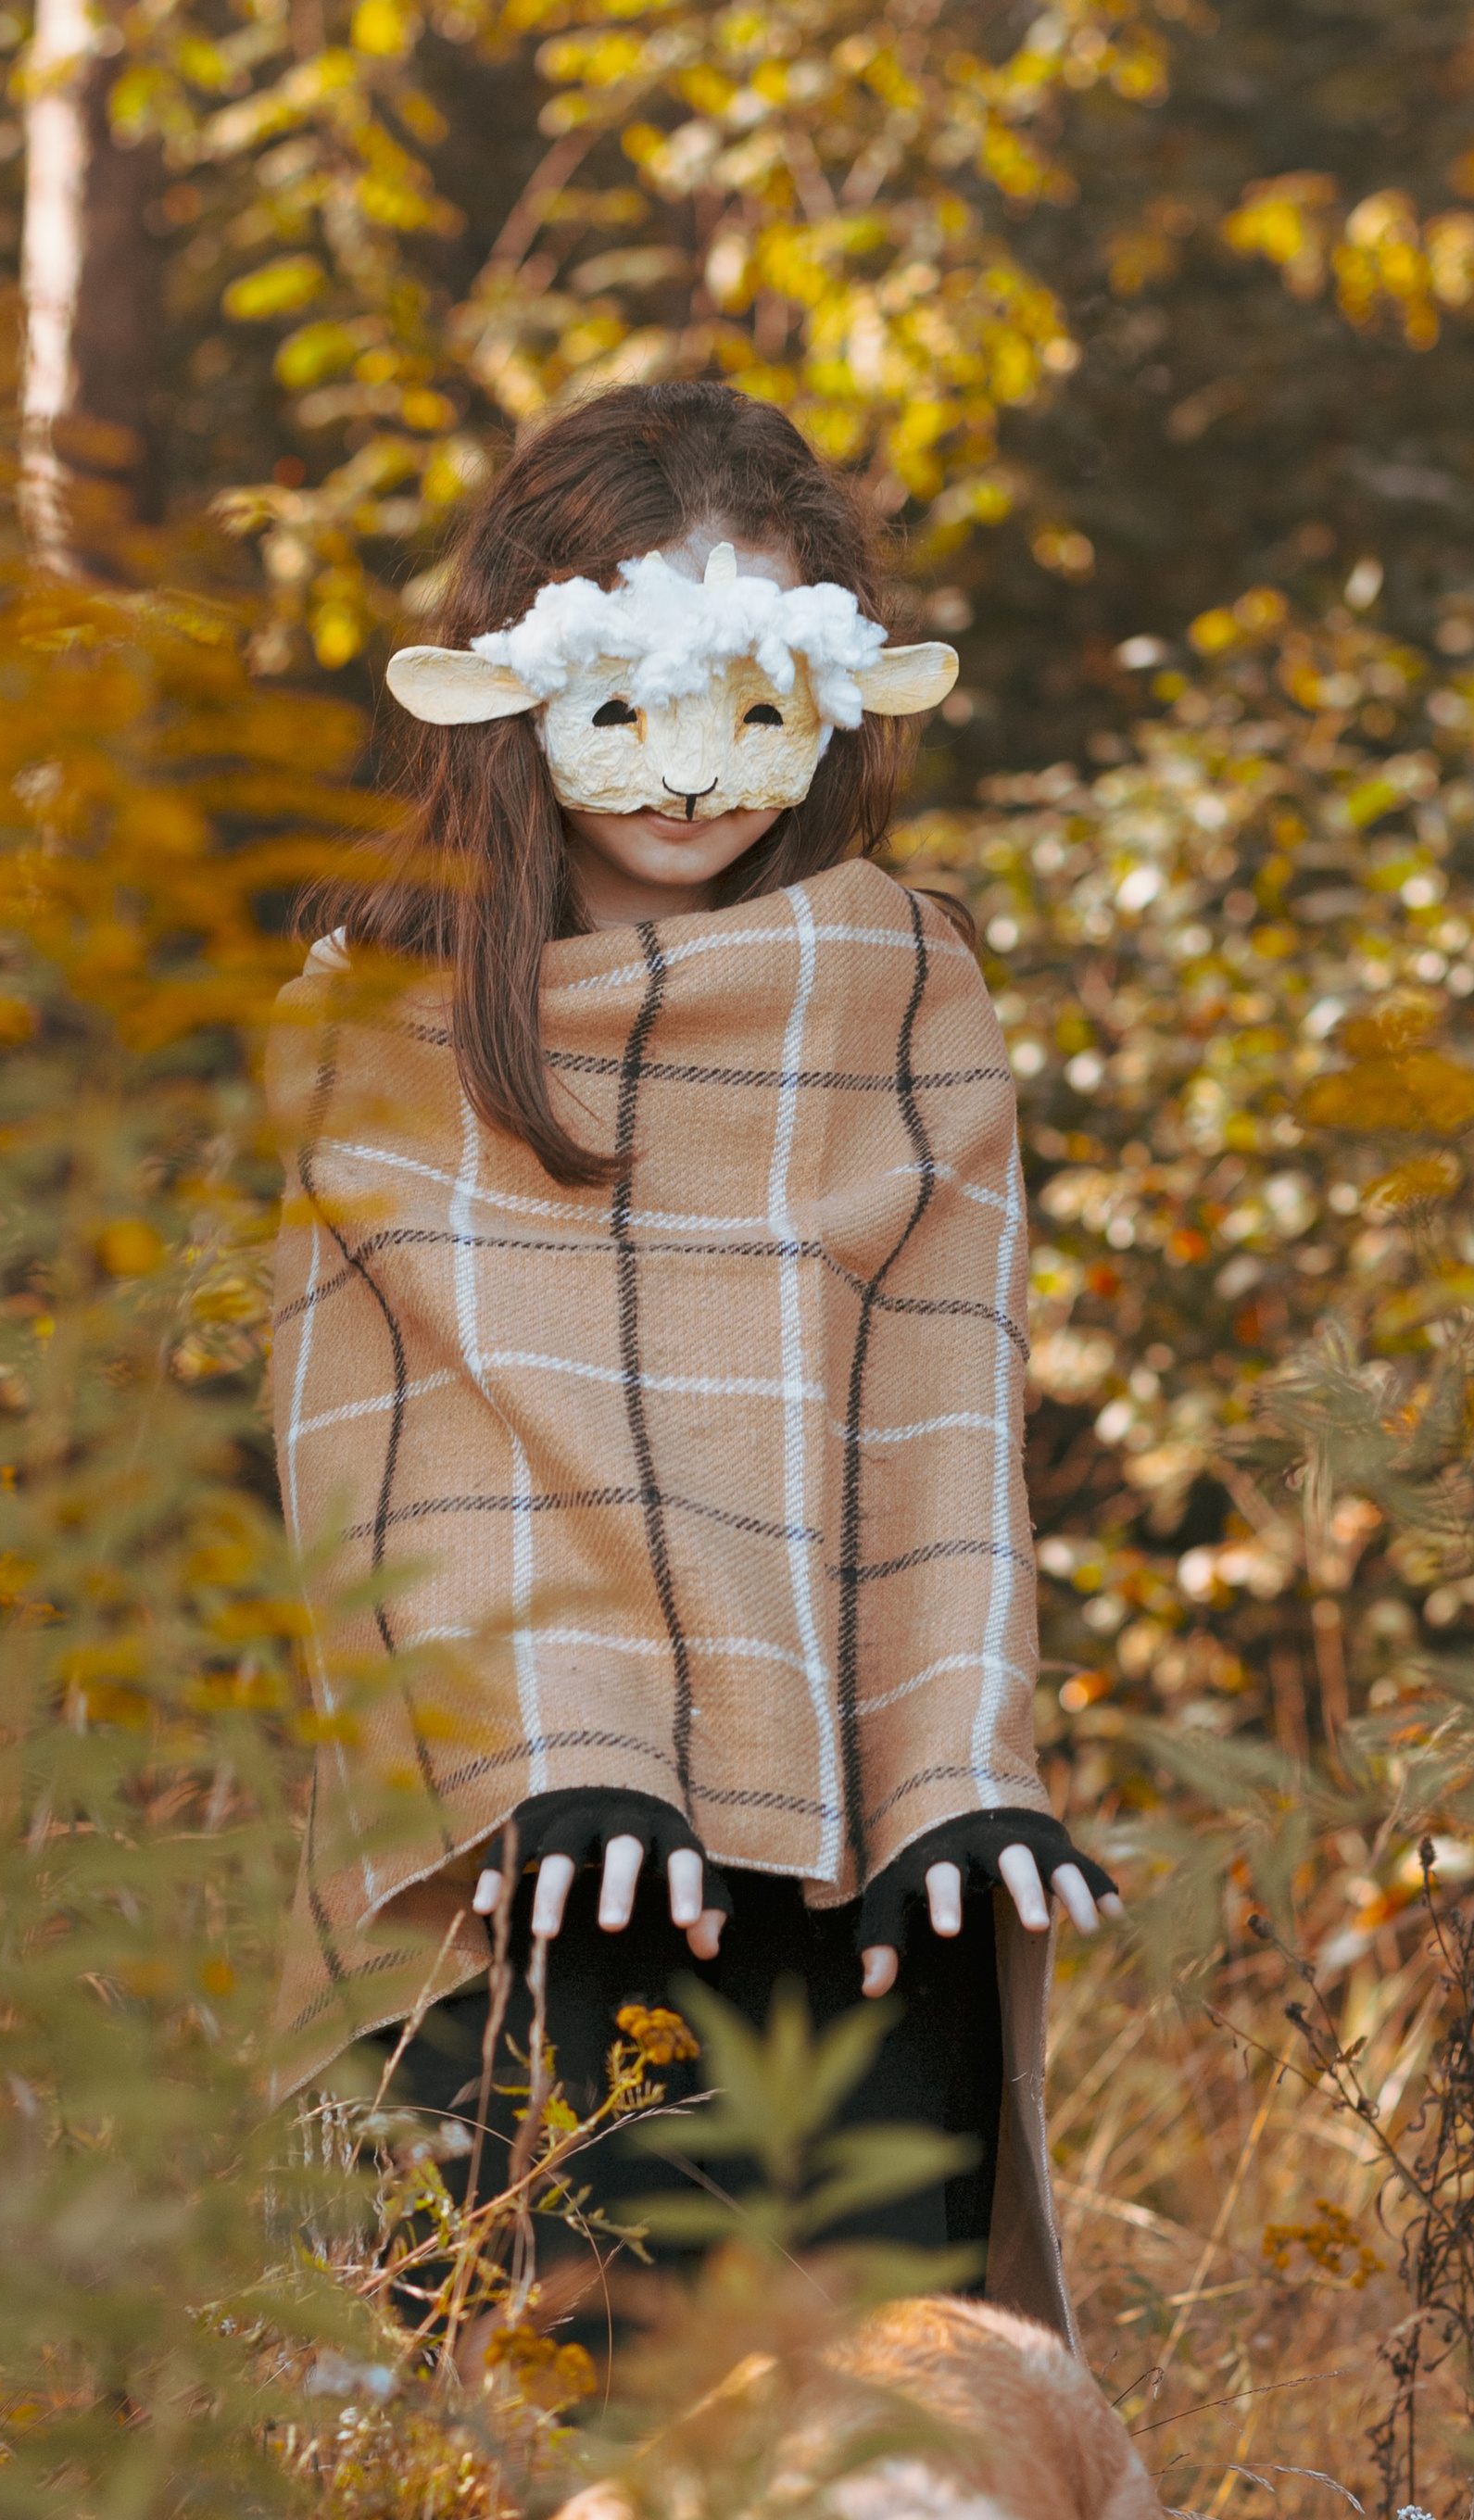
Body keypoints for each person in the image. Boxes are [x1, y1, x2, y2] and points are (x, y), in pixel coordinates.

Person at [268, 381, 1115, 2340]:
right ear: (511, 691)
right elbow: (397, 1471)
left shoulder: (905, 995)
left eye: (747, 702)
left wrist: (960, 1776)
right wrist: (556, 1753)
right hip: (540, 1876)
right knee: (529, 2502)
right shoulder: (372, 1033)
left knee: (872, 2509)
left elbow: (936, 1425)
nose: (683, 775)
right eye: (624, 701)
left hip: (853, 1880)